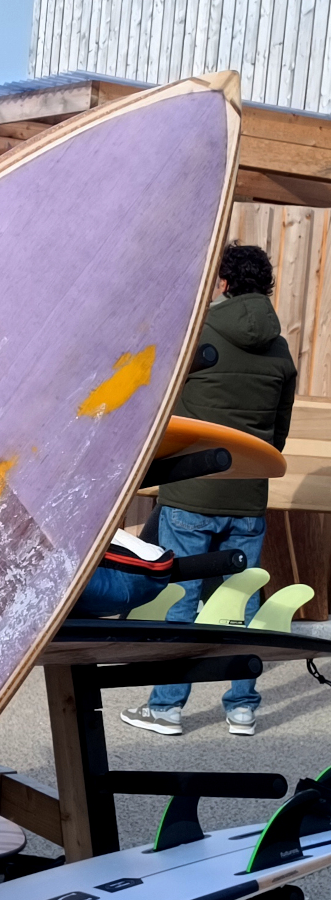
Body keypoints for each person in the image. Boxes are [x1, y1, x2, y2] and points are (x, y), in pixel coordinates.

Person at [121, 242, 296, 739]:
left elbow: (161, 406)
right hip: (248, 496)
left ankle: (166, 708)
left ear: (223, 282)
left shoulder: (197, 333)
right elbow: (278, 434)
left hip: (192, 490)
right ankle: (242, 708)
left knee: (181, 596)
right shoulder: (281, 349)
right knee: (242, 599)